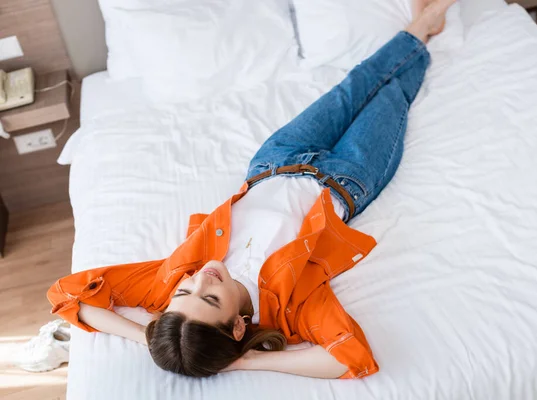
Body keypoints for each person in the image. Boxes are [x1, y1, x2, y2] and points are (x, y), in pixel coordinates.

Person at [47, 0, 455, 380]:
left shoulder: (166, 281)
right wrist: (247, 360)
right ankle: (425, 29)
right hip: (347, 176)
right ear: (240, 325)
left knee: (354, 87)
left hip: (276, 159)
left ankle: (421, 25)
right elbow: (350, 357)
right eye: (210, 299)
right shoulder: (292, 308)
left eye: (184, 292)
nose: (201, 279)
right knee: (392, 97)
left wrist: (152, 336)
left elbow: (69, 295)